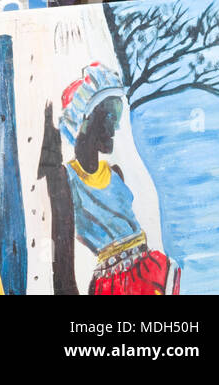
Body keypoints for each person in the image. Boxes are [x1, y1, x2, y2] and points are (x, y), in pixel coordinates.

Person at [40, 62, 180, 295]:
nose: (114, 128)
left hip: (149, 273)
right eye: (109, 116)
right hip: (114, 285)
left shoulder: (116, 173)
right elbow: (63, 259)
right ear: (86, 123)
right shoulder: (67, 180)